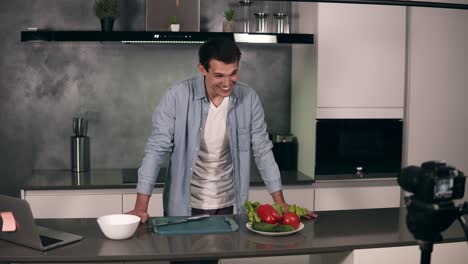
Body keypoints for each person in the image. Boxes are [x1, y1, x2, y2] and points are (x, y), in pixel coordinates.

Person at [128, 37, 317, 224]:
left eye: (233, 73)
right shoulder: (176, 97)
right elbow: (156, 149)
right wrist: (141, 206)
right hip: (184, 207)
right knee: (182, 254)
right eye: (219, 75)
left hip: (230, 206)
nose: (227, 83)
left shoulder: (248, 99)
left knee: (220, 254)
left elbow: (262, 150)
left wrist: (280, 202)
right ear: (202, 69)